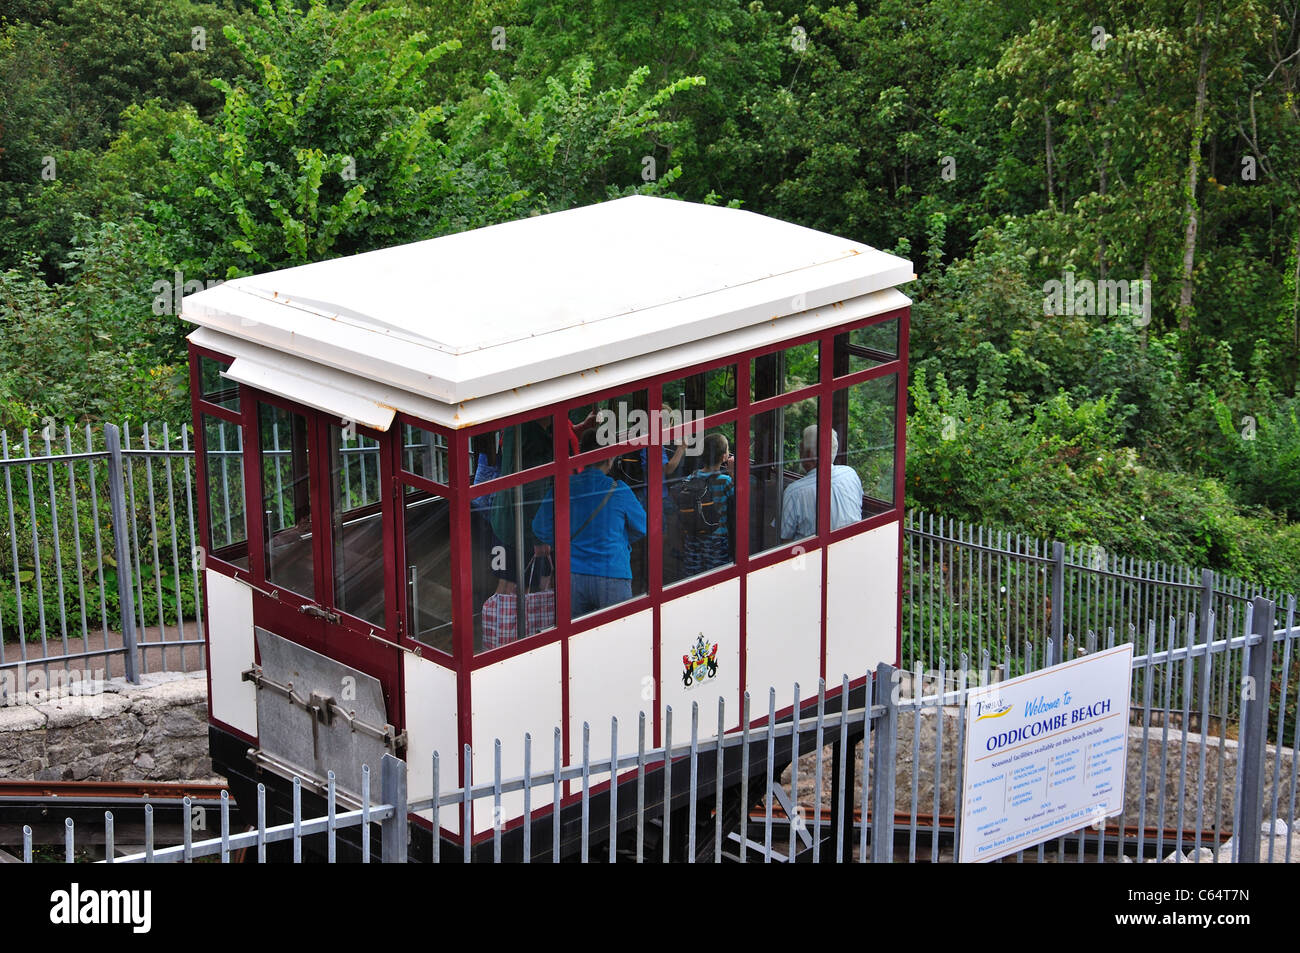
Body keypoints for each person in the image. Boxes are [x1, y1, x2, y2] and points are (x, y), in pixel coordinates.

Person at [532, 429, 647, 616]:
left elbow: (539, 526)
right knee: (617, 636)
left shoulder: (563, 487)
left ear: (581, 456)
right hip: (613, 573)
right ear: (610, 458)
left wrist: (565, 543)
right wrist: (619, 540)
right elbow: (643, 526)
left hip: (572, 575)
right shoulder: (619, 490)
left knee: (574, 641)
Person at [780, 425, 862, 540]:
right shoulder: (850, 474)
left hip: (812, 555)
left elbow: (783, 536)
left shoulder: (795, 492)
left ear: (807, 453)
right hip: (853, 546)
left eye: (801, 447)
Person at [677, 433, 735, 576]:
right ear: (724, 457)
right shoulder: (725, 481)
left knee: (693, 575)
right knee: (715, 576)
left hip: (693, 536)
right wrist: (732, 474)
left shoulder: (692, 477)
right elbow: (736, 501)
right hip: (716, 538)